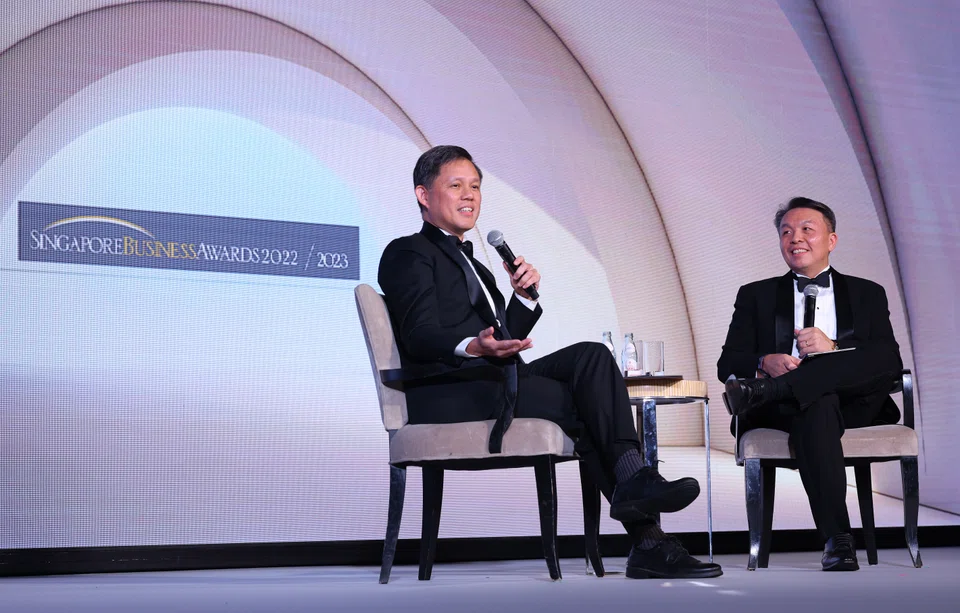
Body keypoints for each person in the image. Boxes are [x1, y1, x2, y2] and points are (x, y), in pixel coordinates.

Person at [378, 145, 721, 579]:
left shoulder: (482, 269)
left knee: (592, 359)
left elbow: (504, 340)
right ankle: (647, 531)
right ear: (424, 195)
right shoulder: (408, 253)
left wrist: (519, 300)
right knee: (583, 404)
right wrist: (473, 346)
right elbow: (419, 333)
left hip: (495, 381)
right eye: (456, 185)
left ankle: (639, 501)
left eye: (476, 186)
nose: (470, 196)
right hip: (449, 392)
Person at [718, 197, 903, 571]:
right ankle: (838, 540)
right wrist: (762, 361)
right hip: (789, 411)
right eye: (786, 232)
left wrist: (833, 347)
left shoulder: (868, 292)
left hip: (854, 404)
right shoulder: (756, 294)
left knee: (839, 379)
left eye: (806, 229)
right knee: (815, 402)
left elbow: (889, 361)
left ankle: (770, 389)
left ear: (831, 240)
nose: (794, 238)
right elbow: (728, 362)